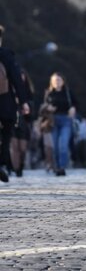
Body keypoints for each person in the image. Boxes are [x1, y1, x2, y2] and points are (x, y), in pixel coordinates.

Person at [0, 25, 30, 182]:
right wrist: (23, 101)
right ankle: (2, 164)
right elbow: (17, 80)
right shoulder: (6, 55)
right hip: (6, 102)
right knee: (6, 134)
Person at [41, 73, 78, 176]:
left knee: (63, 145)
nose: (57, 82)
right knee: (55, 146)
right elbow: (43, 107)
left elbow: (76, 104)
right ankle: (56, 167)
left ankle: (62, 167)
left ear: (63, 81)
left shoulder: (68, 92)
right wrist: (48, 108)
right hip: (53, 121)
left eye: (59, 80)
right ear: (51, 82)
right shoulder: (48, 93)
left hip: (66, 120)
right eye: (55, 80)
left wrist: (73, 108)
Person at [10, 69, 35, 177]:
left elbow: (33, 108)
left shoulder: (28, 92)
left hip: (24, 122)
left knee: (23, 148)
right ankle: (16, 170)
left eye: (22, 76)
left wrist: (28, 107)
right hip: (12, 121)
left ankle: (21, 165)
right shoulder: (9, 91)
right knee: (14, 147)